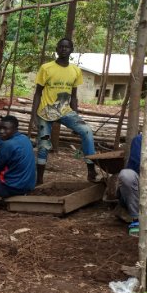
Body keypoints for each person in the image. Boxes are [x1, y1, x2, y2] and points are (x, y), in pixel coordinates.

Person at [28, 38, 97, 184]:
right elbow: (38, 93)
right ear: (57, 49)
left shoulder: (75, 70)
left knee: (86, 131)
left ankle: (91, 170)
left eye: (67, 47)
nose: (64, 49)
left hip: (65, 111)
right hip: (45, 112)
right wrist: (33, 116)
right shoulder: (46, 68)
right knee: (43, 145)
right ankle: (39, 179)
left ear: (72, 50)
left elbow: (73, 96)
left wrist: (76, 116)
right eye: (61, 47)